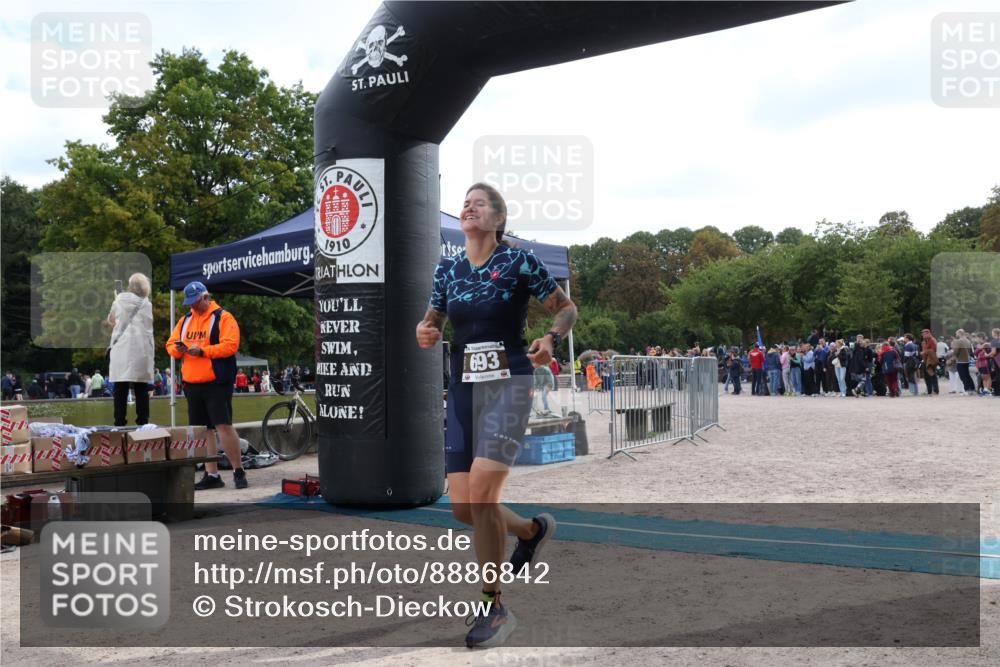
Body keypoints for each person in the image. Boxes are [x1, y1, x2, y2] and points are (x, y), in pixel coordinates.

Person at [416, 183, 577, 648]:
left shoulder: (519, 261)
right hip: (465, 390)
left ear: (498, 219)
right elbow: (433, 320)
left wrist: (548, 339)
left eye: (479, 203)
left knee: (484, 497)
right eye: (466, 202)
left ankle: (494, 608)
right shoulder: (447, 268)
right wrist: (425, 331)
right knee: (465, 509)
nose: (468, 206)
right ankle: (531, 531)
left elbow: (565, 308)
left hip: (510, 384)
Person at [166, 281, 247, 490]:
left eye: (195, 302)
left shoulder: (223, 317)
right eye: (189, 303)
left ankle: (238, 470)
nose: (192, 306)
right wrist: (179, 349)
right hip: (192, 382)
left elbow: (231, 345)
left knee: (223, 426)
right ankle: (212, 474)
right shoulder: (185, 320)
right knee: (204, 430)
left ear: (205, 297)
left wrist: (202, 351)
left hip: (216, 381)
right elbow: (170, 343)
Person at [108, 273, 154, 427]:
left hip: (121, 348)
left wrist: (117, 298)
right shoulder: (147, 304)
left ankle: (119, 423)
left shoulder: (119, 301)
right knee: (141, 387)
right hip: (141, 350)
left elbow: (111, 320)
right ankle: (143, 423)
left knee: (120, 387)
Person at [951, 329, 975, 395]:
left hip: (960, 361)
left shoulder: (959, 341)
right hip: (967, 360)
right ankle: (972, 389)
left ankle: (966, 390)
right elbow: (971, 351)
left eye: (956, 333)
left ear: (959, 333)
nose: (956, 335)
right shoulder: (968, 341)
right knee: (967, 375)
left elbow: (956, 351)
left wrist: (953, 356)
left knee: (963, 376)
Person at [920, 329, 940, 396]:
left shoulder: (932, 340)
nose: (922, 335)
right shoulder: (925, 341)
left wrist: (924, 352)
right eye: (922, 334)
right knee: (926, 376)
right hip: (926, 360)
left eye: (923, 334)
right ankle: (929, 391)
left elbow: (934, 350)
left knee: (932, 375)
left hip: (931, 361)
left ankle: (935, 391)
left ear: (928, 333)